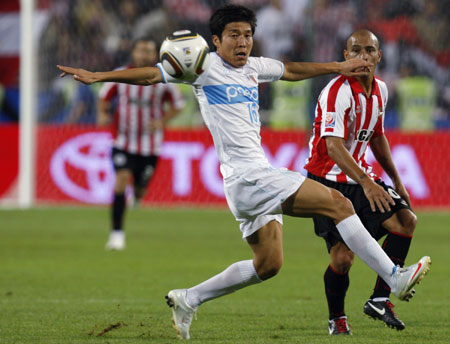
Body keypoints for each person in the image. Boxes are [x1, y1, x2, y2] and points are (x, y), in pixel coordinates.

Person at [57, 5, 430, 340]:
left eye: (248, 35)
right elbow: (152, 76)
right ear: (216, 40)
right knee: (337, 203)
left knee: (269, 265)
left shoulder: (254, 68)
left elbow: (293, 70)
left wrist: (337, 66)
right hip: (248, 176)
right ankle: (392, 279)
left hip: (251, 179)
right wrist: (99, 76)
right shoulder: (202, 69)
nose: (243, 42)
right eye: (234, 35)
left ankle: (189, 298)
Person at [304, 29, 422, 334]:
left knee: (406, 220)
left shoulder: (381, 90)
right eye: (356, 51)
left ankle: (380, 298)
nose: (363, 57)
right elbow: (333, 146)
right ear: (346, 56)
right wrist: (368, 183)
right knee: (342, 259)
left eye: (369, 51)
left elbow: (377, 136)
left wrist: (397, 180)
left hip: (360, 177)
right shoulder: (337, 91)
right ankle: (337, 320)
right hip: (327, 182)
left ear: (378, 56)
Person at [98, 38, 184, 250]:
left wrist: (162, 121)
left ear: (155, 54)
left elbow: (178, 105)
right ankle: (116, 234)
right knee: (121, 179)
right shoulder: (120, 75)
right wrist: (102, 114)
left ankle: (137, 195)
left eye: (149, 51)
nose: (144, 55)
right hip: (123, 140)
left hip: (150, 144)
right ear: (133, 52)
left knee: (139, 190)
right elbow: (103, 98)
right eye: (141, 50)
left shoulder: (164, 77)